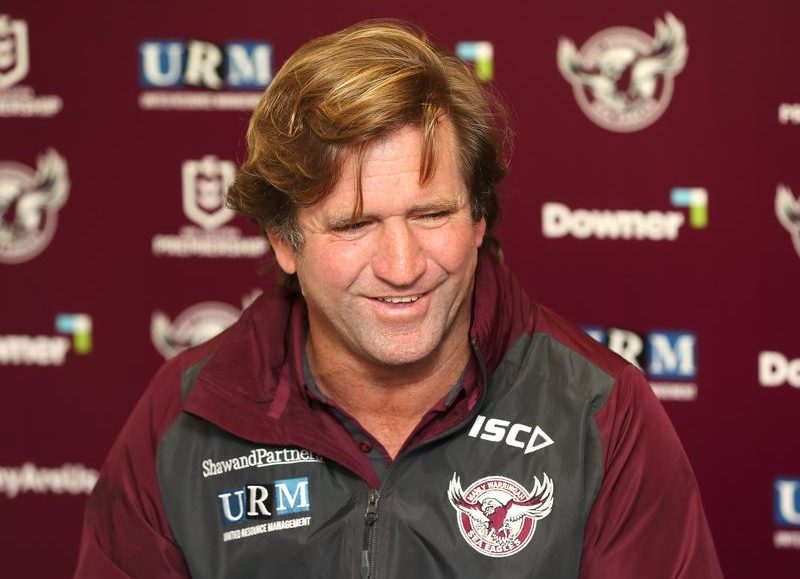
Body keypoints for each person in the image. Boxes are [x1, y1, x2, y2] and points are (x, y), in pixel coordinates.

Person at [75, 20, 723, 578]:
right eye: (355, 225)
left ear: (478, 219)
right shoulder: (185, 418)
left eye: (432, 214)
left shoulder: (599, 413)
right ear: (284, 241)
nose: (403, 266)